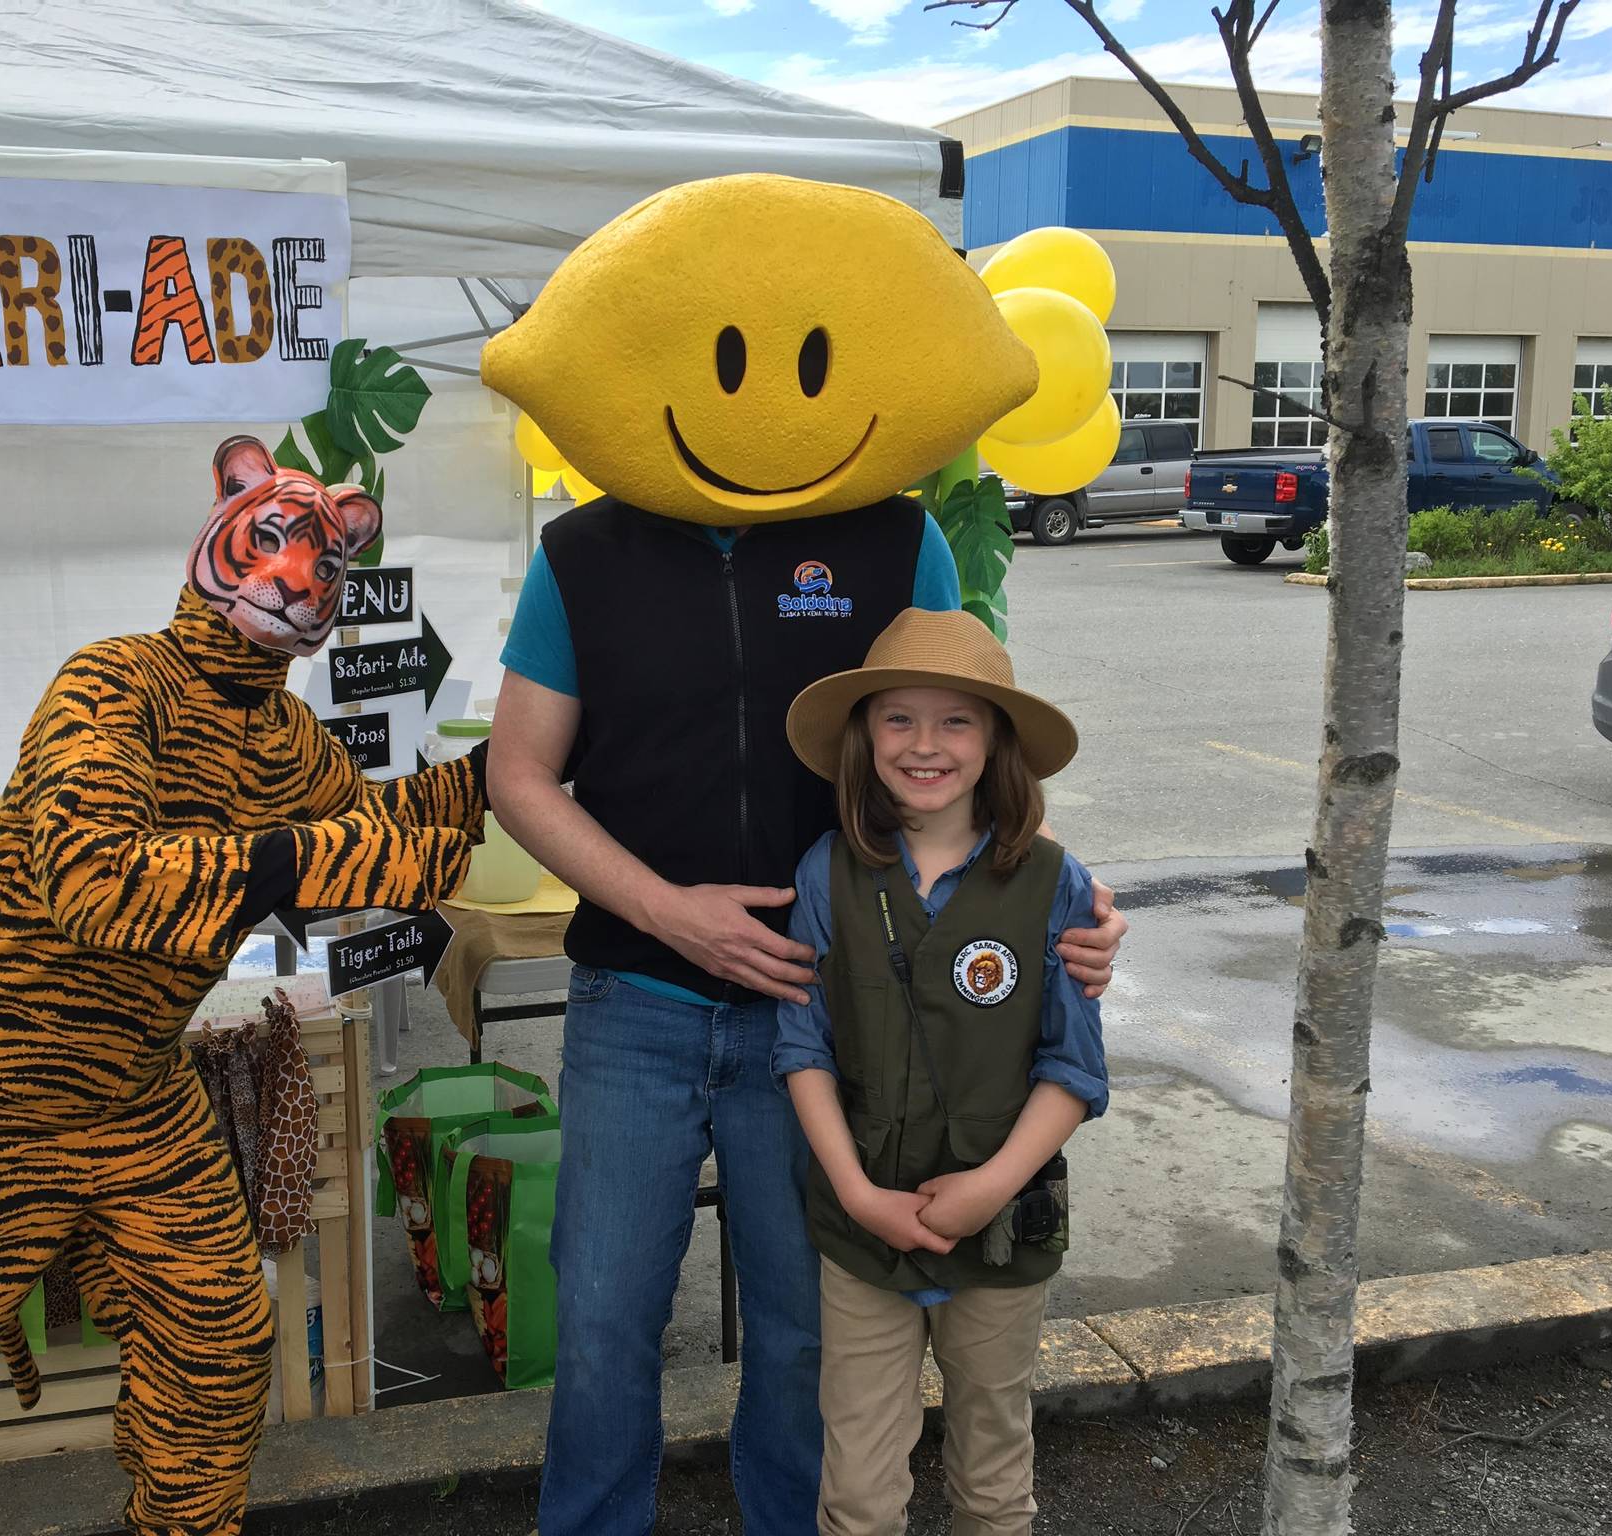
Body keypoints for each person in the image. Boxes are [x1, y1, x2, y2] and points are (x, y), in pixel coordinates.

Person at [481, 173, 1128, 1536]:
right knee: (601, 1327)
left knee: (804, 1330)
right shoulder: (582, 554)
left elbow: (968, 741)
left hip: (835, 1014)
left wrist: (1064, 898)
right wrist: (669, 914)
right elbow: (520, 777)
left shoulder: (892, 538)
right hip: (634, 1009)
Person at [0, 436, 485, 1536]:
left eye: (325, 563)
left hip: (126, 1092)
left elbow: (386, 833)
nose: (299, 577)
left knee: (216, 1342)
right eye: (269, 538)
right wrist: (287, 860)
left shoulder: (288, 739)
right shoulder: (113, 681)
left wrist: (507, 771)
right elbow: (94, 880)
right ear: (220, 522)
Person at [775, 605, 1107, 1535]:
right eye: (899, 719)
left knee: (995, 1479)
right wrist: (855, 1192)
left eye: (956, 719)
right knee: (857, 1492)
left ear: (997, 740)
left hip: (1002, 1238)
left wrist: (991, 1189)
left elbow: (1073, 1068)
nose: (926, 745)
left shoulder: (1053, 881)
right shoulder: (823, 875)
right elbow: (800, 1049)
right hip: (862, 1233)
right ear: (864, 737)